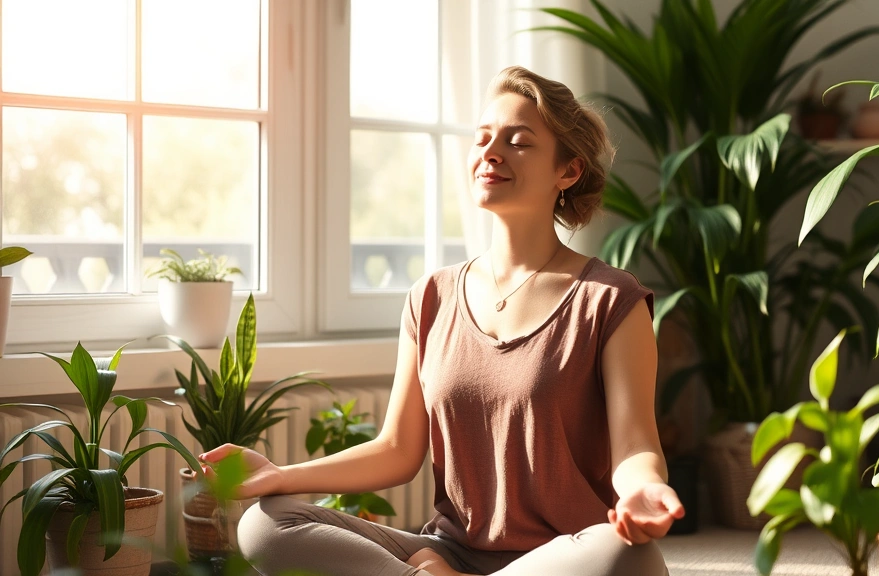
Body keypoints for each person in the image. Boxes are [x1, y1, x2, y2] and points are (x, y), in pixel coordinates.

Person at [199, 66, 683, 576]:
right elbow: (397, 449)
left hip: (563, 555)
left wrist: (645, 489)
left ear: (568, 172)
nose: (491, 152)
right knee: (265, 524)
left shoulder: (609, 300)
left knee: (628, 556)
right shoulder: (431, 296)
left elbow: (635, 447)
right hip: (448, 550)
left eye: (518, 142)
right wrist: (279, 475)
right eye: (482, 139)